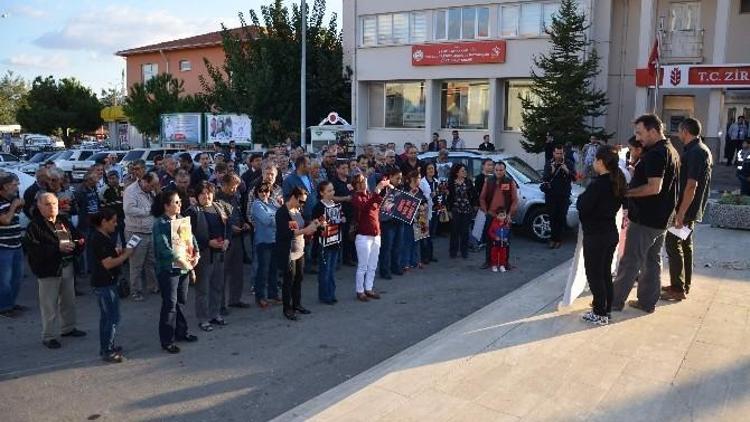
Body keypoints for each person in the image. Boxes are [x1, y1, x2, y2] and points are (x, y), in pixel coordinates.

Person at [612, 114, 679, 314]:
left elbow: (654, 187)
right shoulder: (670, 150)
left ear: (653, 130)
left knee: (630, 261)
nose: (638, 138)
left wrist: (626, 192)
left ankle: (614, 302)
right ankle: (647, 302)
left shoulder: (656, 154)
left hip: (646, 219)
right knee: (651, 260)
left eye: (640, 133)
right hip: (661, 219)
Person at [23, 193, 86, 349]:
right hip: (48, 270)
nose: (52, 207)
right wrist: (57, 248)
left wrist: (78, 243)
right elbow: (33, 249)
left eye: (54, 204)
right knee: (49, 305)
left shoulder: (63, 220)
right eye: (48, 204)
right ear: (39, 206)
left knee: (68, 301)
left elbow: (77, 236)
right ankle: (49, 336)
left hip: (67, 266)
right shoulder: (35, 226)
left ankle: (68, 328)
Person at [662, 118, 713, 301]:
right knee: (685, 245)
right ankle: (683, 284)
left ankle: (678, 287)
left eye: (679, 130)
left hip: (687, 208)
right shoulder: (699, 149)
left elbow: (692, 185)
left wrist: (681, 213)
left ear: (685, 131)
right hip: (690, 207)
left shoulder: (697, 152)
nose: (677, 134)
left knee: (672, 243)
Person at [577, 145, 626, 326]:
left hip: (596, 235)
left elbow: (583, 206)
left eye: (596, 160)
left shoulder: (598, 184)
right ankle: (606, 310)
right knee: (605, 273)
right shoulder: (618, 180)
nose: (594, 163)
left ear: (601, 162)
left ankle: (599, 312)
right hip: (609, 233)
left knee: (594, 274)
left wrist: (582, 198)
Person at [152, 190, 199, 354]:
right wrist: (185, 263)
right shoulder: (160, 224)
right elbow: (164, 249)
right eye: (176, 202)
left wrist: (196, 254)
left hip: (183, 268)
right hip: (168, 269)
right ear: (166, 205)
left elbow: (190, 239)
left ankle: (181, 331)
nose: (180, 205)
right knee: (170, 304)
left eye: (179, 202)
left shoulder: (181, 220)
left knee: (180, 300)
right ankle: (167, 340)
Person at [89, 208, 134, 363]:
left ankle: (107, 346)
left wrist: (119, 253)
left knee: (107, 317)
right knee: (112, 318)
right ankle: (107, 350)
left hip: (107, 282)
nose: (116, 224)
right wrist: (126, 255)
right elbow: (108, 263)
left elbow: (109, 257)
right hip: (104, 284)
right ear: (103, 222)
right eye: (113, 221)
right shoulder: (98, 238)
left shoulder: (104, 236)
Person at [186, 181, 232, 332]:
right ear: (197, 196)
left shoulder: (219, 207)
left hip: (220, 254)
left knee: (218, 286)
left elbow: (228, 227)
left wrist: (226, 240)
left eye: (209, 192)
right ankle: (203, 318)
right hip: (203, 256)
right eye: (202, 193)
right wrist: (207, 243)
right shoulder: (193, 212)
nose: (206, 196)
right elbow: (187, 237)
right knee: (203, 289)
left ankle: (215, 314)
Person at [275, 187, 321, 321]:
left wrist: (312, 224)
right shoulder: (283, 212)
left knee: (299, 278)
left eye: (304, 202)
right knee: (289, 280)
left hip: (299, 250)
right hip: (288, 251)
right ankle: (287, 308)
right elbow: (286, 233)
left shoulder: (297, 210)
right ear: (293, 197)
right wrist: (306, 230)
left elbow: (300, 225)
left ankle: (297, 304)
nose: (303, 204)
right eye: (301, 201)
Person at [351, 173, 391, 301]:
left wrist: (385, 188)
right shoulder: (355, 197)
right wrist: (377, 191)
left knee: (373, 265)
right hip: (363, 235)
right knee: (363, 265)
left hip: (375, 233)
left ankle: (368, 288)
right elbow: (365, 206)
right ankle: (360, 290)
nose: (364, 183)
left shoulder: (370, 195)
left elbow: (383, 204)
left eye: (365, 181)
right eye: (361, 181)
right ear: (356, 184)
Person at [216, 173, 250, 310]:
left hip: (238, 238)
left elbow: (238, 213)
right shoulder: (217, 199)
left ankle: (235, 299)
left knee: (238, 271)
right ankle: (220, 304)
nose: (235, 189)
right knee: (222, 273)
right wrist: (230, 227)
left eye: (236, 187)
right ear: (224, 185)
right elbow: (219, 219)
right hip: (224, 239)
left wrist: (245, 223)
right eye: (232, 187)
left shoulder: (235, 197)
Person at [123, 172, 159, 301]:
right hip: (135, 232)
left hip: (149, 230)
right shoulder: (131, 191)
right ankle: (135, 291)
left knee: (151, 261)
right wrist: (147, 212)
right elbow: (128, 209)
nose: (153, 188)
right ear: (144, 181)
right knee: (136, 263)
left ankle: (153, 286)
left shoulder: (150, 192)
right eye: (152, 185)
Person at [479, 162, 518, 269]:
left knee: (505, 241)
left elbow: (515, 200)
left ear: (505, 171)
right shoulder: (489, 181)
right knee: (489, 240)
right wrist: (485, 211)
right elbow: (482, 198)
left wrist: (510, 214)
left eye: (501, 170)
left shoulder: (510, 182)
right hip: (491, 215)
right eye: (497, 170)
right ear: (494, 170)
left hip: (504, 217)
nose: (499, 172)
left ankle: (505, 262)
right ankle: (488, 261)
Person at [251, 181, 280, 308]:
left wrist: (276, 216)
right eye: (261, 191)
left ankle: (273, 294)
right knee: (263, 270)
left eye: (266, 191)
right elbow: (267, 220)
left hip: (274, 240)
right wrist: (277, 216)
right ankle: (260, 296)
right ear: (257, 192)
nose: (264, 193)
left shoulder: (273, 202)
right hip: (263, 241)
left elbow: (284, 215)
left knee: (274, 270)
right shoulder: (256, 204)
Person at [0, 173, 26, 318]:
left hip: (16, 244)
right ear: (5, 186)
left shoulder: (10, 200)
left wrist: (17, 205)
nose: (17, 187)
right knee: (4, 280)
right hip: (3, 246)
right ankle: (4, 307)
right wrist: (14, 206)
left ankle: (11, 302)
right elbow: (5, 220)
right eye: (14, 184)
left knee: (17, 277)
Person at [314, 181, 342, 305]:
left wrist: (342, 219)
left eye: (332, 190)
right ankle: (324, 295)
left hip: (334, 241)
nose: (332, 193)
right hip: (323, 243)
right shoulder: (318, 207)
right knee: (325, 270)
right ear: (321, 193)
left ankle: (331, 292)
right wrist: (321, 224)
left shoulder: (335, 204)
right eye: (329, 191)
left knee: (331, 270)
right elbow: (315, 224)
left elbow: (339, 219)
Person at [542, 145, 576, 249]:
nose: (559, 155)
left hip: (564, 195)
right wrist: (551, 171)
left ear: (563, 153)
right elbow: (545, 178)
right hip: (551, 195)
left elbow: (574, 178)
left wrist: (567, 170)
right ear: (553, 153)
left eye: (561, 153)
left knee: (561, 217)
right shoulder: (549, 163)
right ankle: (552, 239)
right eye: (557, 153)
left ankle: (558, 239)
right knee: (552, 217)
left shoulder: (568, 163)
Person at [378, 168, 404, 279]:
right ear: (391, 177)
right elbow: (381, 204)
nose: (399, 180)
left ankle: (396, 266)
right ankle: (384, 270)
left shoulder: (401, 187)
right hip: (387, 221)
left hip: (399, 220)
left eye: (400, 178)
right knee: (386, 247)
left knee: (397, 245)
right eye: (397, 178)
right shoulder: (384, 188)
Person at [446, 164, 476, 259]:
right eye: (463, 171)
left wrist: (474, 206)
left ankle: (464, 251)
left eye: (465, 171)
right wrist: (449, 210)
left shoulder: (468, 182)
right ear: (457, 172)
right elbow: (449, 198)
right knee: (454, 231)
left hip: (466, 209)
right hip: (455, 209)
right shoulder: (451, 183)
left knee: (465, 232)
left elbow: (474, 195)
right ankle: (453, 251)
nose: (465, 172)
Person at [400, 170, 426, 271]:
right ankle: (405, 262)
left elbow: (424, 201)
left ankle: (415, 261)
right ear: (412, 179)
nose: (419, 180)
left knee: (417, 240)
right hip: (408, 218)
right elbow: (404, 202)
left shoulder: (419, 190)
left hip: (419, 218)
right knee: (407, 241)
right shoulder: (405, 189)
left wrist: (423, 205)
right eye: (418, 178)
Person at [419, 162, 440, 264]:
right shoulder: (422, 182)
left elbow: (439, 196)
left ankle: (430, 255)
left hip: (435, 210)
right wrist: (431, 195)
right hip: (425, 211)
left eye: (432, 168)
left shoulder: (436, 181)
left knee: (432, 234)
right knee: (424, 234)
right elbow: (422, 197)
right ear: (425, 170)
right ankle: (424, 257)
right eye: (429, 169)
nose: (431, 170)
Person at [100, 171, 125, 247]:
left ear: (118, 178)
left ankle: (125, 254)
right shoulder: (104, 189)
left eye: (113, 178)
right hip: (112, 218)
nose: (111, 180)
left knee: (124, 238)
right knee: (112, 238)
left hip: (123, 217)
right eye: (109, 179)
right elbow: (101, 204)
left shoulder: (123, 186)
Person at [486, 208, 510, 273]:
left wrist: (506, 238)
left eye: (504, 215)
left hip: (503, 242)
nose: (502, 217)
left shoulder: (506, 224)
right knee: (494, 254)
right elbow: (490, 232)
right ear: (497, 216)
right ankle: (494, 265)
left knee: (503, 254)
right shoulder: (494, 223)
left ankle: (502, 265)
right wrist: (495, 237)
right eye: (500, 215)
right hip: (495, 242)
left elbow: (508, 232)